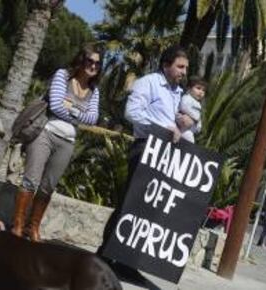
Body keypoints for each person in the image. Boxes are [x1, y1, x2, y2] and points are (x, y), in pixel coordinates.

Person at [98, 44, 193, 255]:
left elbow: (183, 124)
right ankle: (105, 253)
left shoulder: (179, 93)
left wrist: (186, 124)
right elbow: (131, 113)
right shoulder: (147, 83)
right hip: (145, 149)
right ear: (166, 65)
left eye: (186, 68)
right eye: (180, 67)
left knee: (149, 210)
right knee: (130, 203)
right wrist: (161, 128)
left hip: (167, 155)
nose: (184, 72)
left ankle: (129, 261)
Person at [11, 43, 102, 242]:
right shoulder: (63, 76)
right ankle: (17, 226)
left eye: (97, 63)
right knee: (30, 180)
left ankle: (32, 227)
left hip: (67, 142)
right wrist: (80, 113)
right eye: (90, 61)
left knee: (48, 186)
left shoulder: (94, 91)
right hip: (45, 134)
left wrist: (72, 109)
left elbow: (93, 119)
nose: (93, 66)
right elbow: (55, 106)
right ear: (81, 60)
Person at [177, 76, 207, 143]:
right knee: (190, 142)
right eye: (198, 88)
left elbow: (198, 117)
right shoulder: (187, 97)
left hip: (190, 130)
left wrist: (198, 125)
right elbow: (183, 106)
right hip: (183, 128)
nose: (201, 92)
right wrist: (195, 117)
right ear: (189, 88)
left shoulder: (198, 103)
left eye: (203, 90)